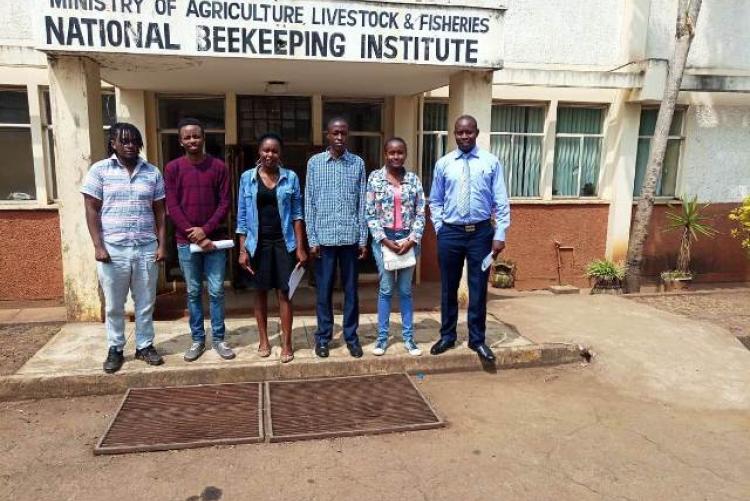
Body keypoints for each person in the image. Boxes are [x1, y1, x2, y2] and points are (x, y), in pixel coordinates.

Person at [81, 122, 167, 374]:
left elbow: (160, 212)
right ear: (113, 143)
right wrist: (98, 245)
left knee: (145, 301)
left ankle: (144, 346)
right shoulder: (100, 171)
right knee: (114, 305)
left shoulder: (152, 172)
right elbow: (91, 209)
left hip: (145, 248)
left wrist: (162, 244)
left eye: (134, 141)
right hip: (113, 249)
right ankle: (115, 348)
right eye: (124, 141)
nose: (130, 145)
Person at [429, 115, 511, 362]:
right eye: (459, 132)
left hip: (481, 234)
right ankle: (447, 336)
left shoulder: (490, 162)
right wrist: (440, 228)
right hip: (451, 233)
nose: (464, 136)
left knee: (478, 288)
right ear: (454, 134)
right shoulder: (444, 164)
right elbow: (435, 200)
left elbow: (501, 201)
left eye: (469, 132)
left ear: (477, 132)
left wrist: (499, 233)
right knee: (448, 287)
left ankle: (477, 340)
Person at [164, 118, 234, 362]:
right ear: (180, 141)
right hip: (186, 243)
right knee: (193, 292)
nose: (192, 140)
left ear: (203, 138)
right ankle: (197, 340)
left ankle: (218, 339)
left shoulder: (219, 167)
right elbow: (171, 205)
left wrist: (205, 231)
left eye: (196, 136)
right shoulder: (173, 168)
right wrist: (193, 233)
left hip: (215, 242)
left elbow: (225, 203)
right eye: (187, 137)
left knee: (216, 292)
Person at [236, 133, 307, 363]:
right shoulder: (247, 178)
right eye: (266, 150)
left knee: (285, 293)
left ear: (280, 154)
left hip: (284, 242)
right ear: (259, 151)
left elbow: (297, 215)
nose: (270, 155)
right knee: (260, 292)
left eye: (274, 151)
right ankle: (264, 339)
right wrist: (243, 250)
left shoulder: (291, 178)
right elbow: (242, 217)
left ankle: (287, 343)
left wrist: (299, 247)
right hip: (258, 244)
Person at [305, 117, 368, 358]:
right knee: (323, 292)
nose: (339, 137)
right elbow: (309, 202)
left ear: (347, 135)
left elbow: (362, 202)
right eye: (335, 133)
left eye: (343, 133)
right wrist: (312, 239)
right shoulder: (315, 163)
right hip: (324, 240)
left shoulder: (357, 164)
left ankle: (351, 337)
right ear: (327, 135)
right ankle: (323, 338)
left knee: (351, 291)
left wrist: (363, 238)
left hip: (350, 238)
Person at [365, 137, 425, 356]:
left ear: (405, 154)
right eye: (392, 153)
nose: (396, 156)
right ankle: (382, 339)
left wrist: (412, 239)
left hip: (409, 239)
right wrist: (384, 239)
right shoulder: (375, 179)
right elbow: (370, 213)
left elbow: (420, 212)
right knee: (387, 289)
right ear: (385, 154)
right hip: (384, 240)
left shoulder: (413, 180)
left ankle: (409, 339)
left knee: (406, 290)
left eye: (400, 152)